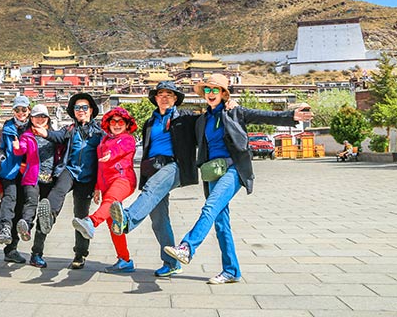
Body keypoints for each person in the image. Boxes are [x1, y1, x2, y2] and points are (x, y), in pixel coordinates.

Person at [165, 73, 313, 284]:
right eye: (207, 90)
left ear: (224, 93)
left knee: (210, 207)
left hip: (233, 170)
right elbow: (181, 123)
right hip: (212, 172)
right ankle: (231, 271)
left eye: (215, 90)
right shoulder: (202, 119)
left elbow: (264, 116)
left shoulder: (235, 112)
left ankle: (187, 247)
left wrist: (291, 116)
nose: (210, 93)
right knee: (220, 222)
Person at [108, 81, 200, 277]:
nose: (165, 97)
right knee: (159, 219)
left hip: (175, 165)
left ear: (176, 99)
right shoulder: (150, 122)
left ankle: (127, 220)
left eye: (169, 94)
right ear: (155, 98)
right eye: (161, 94)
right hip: (153, 168)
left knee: (151, 189)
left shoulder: (185, 118)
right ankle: (172, 264)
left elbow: (207, 120)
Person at [33, 92, 104, 269]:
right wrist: (45, 133)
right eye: (77, 108)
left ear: (91, 110)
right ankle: (42, 233)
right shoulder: (69, 129)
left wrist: (99, 186)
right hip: (69, 171)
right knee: (54, 198)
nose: (80, 110)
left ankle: (80, 255)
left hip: (87, 178)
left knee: (81, 217)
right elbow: (57, 137)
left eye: (84, 107)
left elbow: (105, 155)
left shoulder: (99, 133)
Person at [72, 107, 138, 273]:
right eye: (113, 121)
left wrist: (111, 154)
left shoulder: (127, 139)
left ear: (127, 124)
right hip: (106, 184)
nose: (117, 124)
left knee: (110, 203)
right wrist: (97, 188)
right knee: (114, 223)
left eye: (121, 121)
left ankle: (91, 222)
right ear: (108, 124)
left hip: (123, 179)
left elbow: (121, 149)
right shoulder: (104, 140)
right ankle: (124, 259)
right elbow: (100, 168)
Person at [0, 95, 32, 264]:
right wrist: (2, 159)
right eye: (17, 110)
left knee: (22, 207)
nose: (21, 113)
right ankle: (3, 230)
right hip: (10, 170)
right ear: (13, 111)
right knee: (9, 200)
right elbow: (1, 147)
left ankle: (11, 249)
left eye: (24, 109)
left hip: (27, 172)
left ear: (29, 110)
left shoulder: (34, 126)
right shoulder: (7, 127)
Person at [22, 104, 59, 268]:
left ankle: (37, 253)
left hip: (50, 179)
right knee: (31, 202)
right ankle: (25, 226)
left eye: (43, 117)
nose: (40, 119)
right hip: (32, 177)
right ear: (31, 118)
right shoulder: (26, 135)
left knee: (45, 217)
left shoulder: (54, 135)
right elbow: (20, 149)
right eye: (36, 116)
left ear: (48, 119)